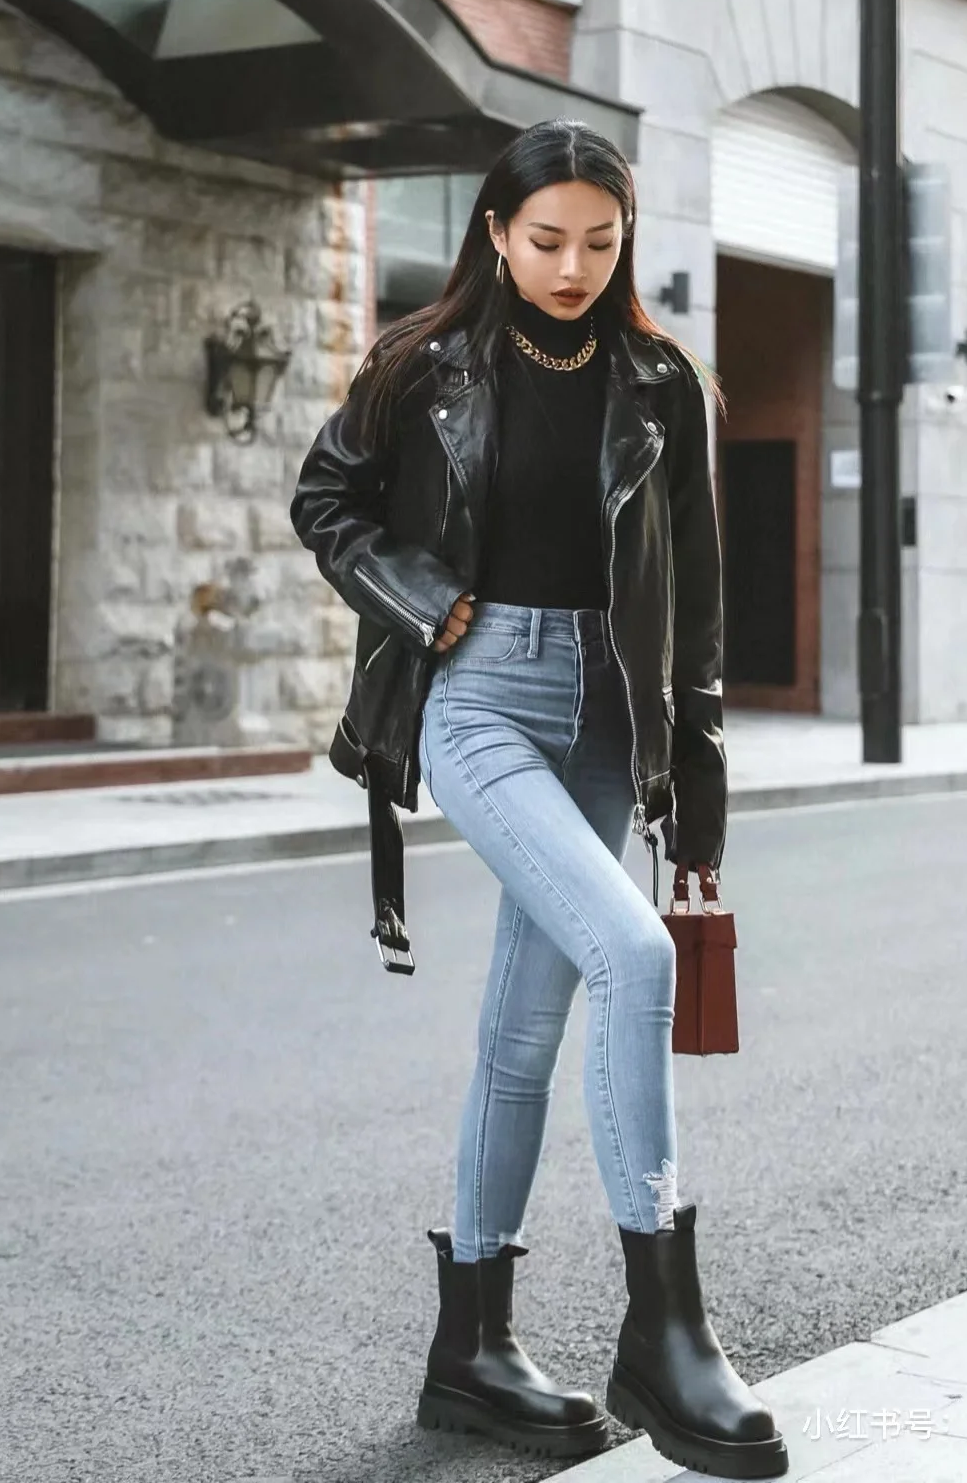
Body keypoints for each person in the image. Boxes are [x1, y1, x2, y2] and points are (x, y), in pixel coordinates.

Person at [290, 119, 788, 1480]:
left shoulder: (662, 382)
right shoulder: (420, 364)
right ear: (496, 235)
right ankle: (664, 1329)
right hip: (474, 690)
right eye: (545, 239)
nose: (572, 265)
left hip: (607, 710)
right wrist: (414, 596)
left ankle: (471, 1350)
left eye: (600, 240)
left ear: (626, 242)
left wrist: (696, 794)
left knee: (521, 1036)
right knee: (630, 956)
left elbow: (693, 598)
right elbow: (323, 499)